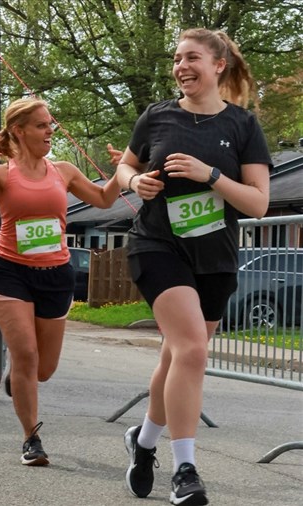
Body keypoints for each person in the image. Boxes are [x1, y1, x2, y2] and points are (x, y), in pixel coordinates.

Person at [113, 28, 269, 506]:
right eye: (177, 59)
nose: (181, 66)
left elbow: (258, 204)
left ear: (218, 65)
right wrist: (136, 181)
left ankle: (143, 443)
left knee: (176, 357)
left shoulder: (243, 125)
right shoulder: (157, 116)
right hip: (158, 246)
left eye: (192, 58)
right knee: (193, 351)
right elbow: (123, 168)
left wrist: (212, 176)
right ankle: (185, 469)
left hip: (215, 256)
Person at [0, 97, 120, 466]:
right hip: (9, 271)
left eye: (51, 125)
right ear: (19, 130)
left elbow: (106, 200)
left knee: (42, 369)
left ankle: (19, 377)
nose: (50, 131)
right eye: (42, 125)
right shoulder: (0, 173)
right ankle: (31, 437)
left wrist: (122, 172)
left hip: (56, 275)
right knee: (26, 353)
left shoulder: (64, 170)